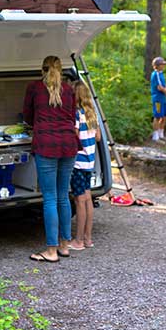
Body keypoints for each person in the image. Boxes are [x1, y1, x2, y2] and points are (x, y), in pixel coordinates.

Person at [23, 55, 79, 263]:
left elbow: (28, 116)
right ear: (61, 70)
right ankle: (65, 246)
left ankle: (51, 250)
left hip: (46, 144)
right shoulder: (69, 90)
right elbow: (72, 117)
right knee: (63, 195)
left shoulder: (35, 88)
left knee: (49, 198)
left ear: (42, 69)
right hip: (68, 144)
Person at [68, 80, 97, 251]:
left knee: (79, 200)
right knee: (87, 199)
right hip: (90, 161)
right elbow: (98, 137)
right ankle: (88, 238)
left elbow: (75, 137)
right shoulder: (91, 113)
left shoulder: (76, 114)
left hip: (78, 162)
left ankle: (78, 241)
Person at [150, 56, 166, 143]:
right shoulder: (156, 74)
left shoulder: (161, 73)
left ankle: (161, 134)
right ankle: (155, 137)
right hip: (158, 98)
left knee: (164, 116)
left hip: (163, 98)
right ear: (157, 65)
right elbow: (159, 87)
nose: (164, 65)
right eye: (162, 64)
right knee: (157, 116)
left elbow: (164, 84)